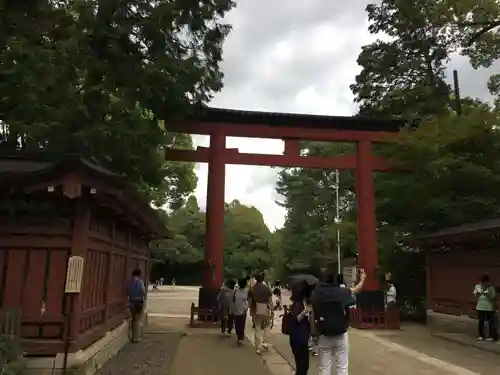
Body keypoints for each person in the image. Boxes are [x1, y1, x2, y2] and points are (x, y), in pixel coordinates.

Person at [310, 268, 366, 375]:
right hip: (340, 332)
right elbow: (356, 290)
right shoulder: (341, 291)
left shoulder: (315, 293)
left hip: (323, 333)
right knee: (342, 366)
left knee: (324, 367)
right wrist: (363, 279)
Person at [289, 281, 312, 375]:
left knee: (304, 366)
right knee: (301, 367)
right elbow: (296, 319)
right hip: (297, 338)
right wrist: (305, 312)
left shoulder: (305, 302)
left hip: (303, 338)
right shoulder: (297, 304)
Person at [249, 272, 273, 354]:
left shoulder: (253, 288)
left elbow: (250, 300)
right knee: (267, 325)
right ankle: (265, 342)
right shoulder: (266, 288)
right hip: (265, 307)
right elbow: (270, 300)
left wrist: (251, 310)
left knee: (257, 327)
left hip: (256, 307)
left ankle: (258, 347)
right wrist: (272, 309)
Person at [473, 275, 498, 341]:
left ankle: (491, 336)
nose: (483, 284)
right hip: (480, 306)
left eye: (485, 282)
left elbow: (493, 298)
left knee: (491, 322)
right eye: (482, 282)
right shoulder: (477, 287)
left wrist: (487, 294)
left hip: (489, 307)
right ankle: (481, 335)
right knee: (481, 322)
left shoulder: (490, 288)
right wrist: (477, 295)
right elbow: (475, 296)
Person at [126, 268, 146, 343]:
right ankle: (135, 338)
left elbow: (127, 292)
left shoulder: (129, 282)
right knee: (137, 320)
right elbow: (143, 292)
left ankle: (131, 335)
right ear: (139, 275)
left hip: (131, 302)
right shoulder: (140, 282)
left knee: (133, 319)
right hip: (138, 302)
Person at [233, 278, 249, 346]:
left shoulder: (238, 291)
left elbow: (233, 300)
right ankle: (239, 337)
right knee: (238, 325)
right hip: (237, 310)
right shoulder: (237, 291)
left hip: (241, 311)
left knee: (240, 325)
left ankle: (240, 339)